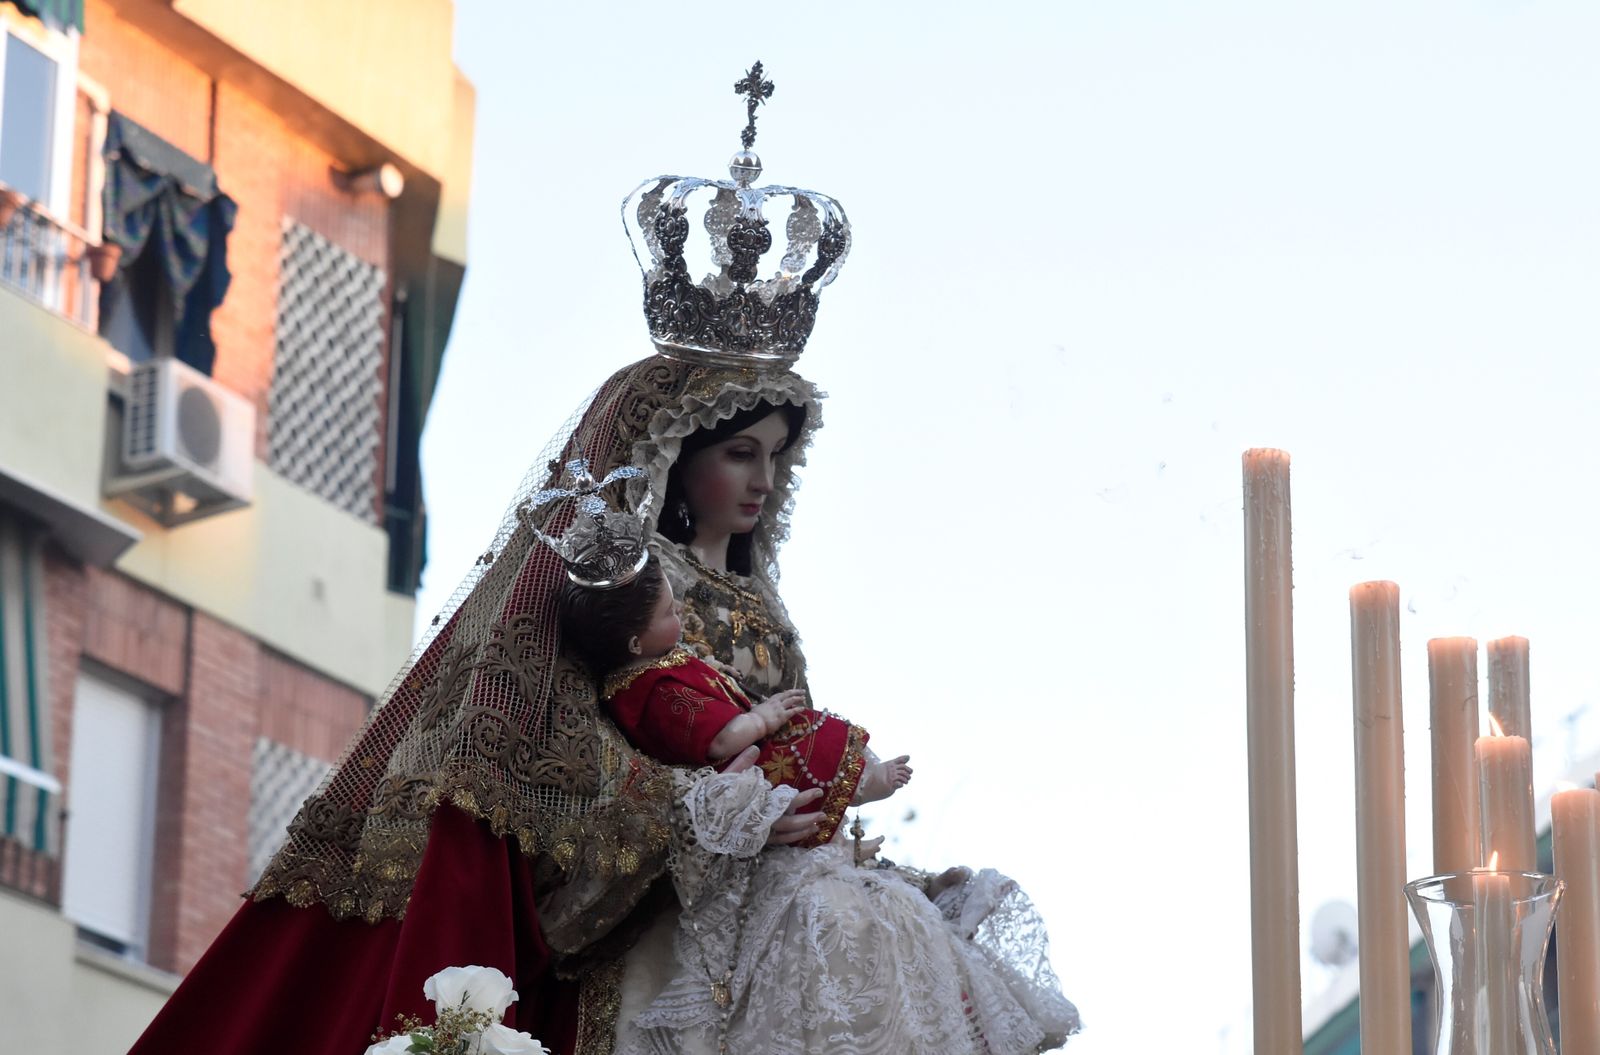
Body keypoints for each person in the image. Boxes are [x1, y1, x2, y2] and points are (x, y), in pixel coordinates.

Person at [557, 551, 912, 848]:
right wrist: (762, 719)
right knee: (809, 747)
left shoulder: (653, 665)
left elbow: (689, 670)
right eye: (668, 612)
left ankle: (847, 828)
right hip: (741, 764)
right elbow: (718, 740)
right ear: (635, 644)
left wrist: (714, 670)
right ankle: (864, 786)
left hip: (748, 739)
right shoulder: (655, 691)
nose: (678, 608)